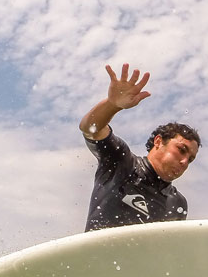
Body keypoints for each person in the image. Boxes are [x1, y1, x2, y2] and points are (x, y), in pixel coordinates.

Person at [78, 63, 201, 232]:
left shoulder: (178, 203)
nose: (184, 162)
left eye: (191, 159)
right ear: (158, 141)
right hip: (95, 257)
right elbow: (90, 128)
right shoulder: (121, 162)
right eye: (181, 150)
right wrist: (113, 105)